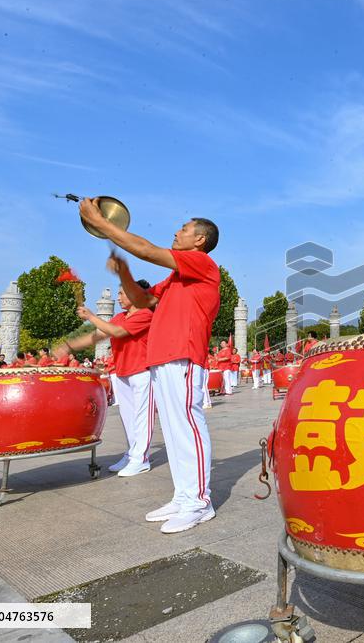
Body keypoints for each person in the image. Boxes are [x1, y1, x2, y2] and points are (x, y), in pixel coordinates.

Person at [79, 198, 220, 534]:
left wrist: (103, 224)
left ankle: (200, 502)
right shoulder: (176, 278)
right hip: (162, 359)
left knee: (187, 426)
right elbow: (143, 300)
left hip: (184, 356)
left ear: (199, 240)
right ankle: (183, 496)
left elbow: (145, 249)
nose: (177, 232)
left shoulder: (202, 263)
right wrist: (125, 272)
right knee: (172, 431)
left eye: (184, 229)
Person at [57, 281, 155, 477]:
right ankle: (131, 454)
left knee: (142, 417)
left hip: (143, 372)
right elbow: (98, 335)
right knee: (128, 418)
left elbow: (117, 332)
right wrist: (69, 346)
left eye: (122, 293)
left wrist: (91, 316)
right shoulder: (120, 317)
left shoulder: (145, 315)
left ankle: (141, 459)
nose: (118, 298)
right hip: (123, 372)